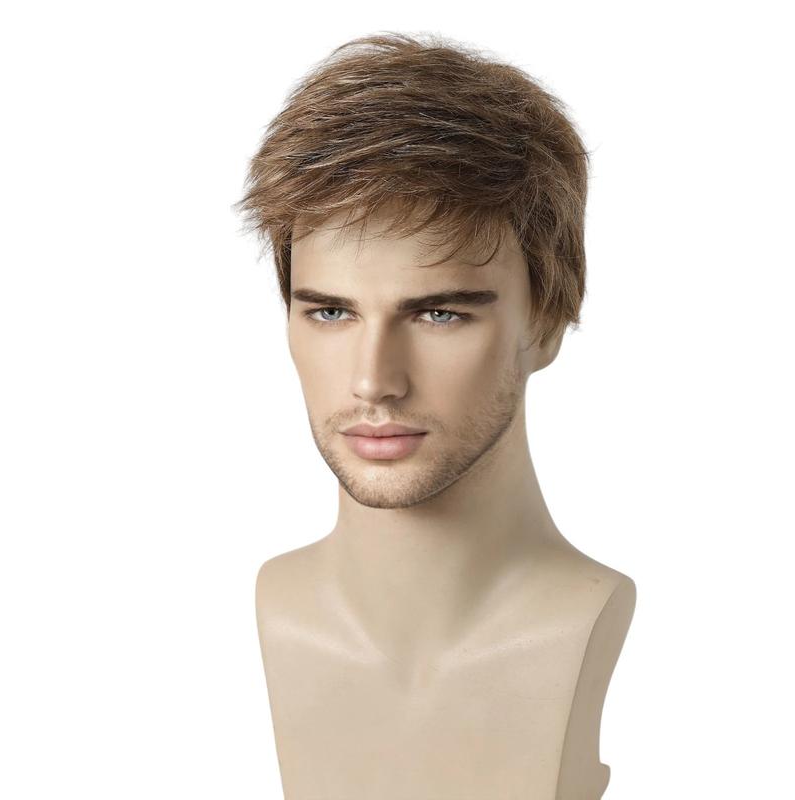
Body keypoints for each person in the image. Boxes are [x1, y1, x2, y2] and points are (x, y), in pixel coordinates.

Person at [235, 31, 636, 800]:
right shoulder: (270, 609)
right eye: (330, 312)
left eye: (439, 314)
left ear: (546, 322)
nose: (373, 381)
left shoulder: (577, 625)